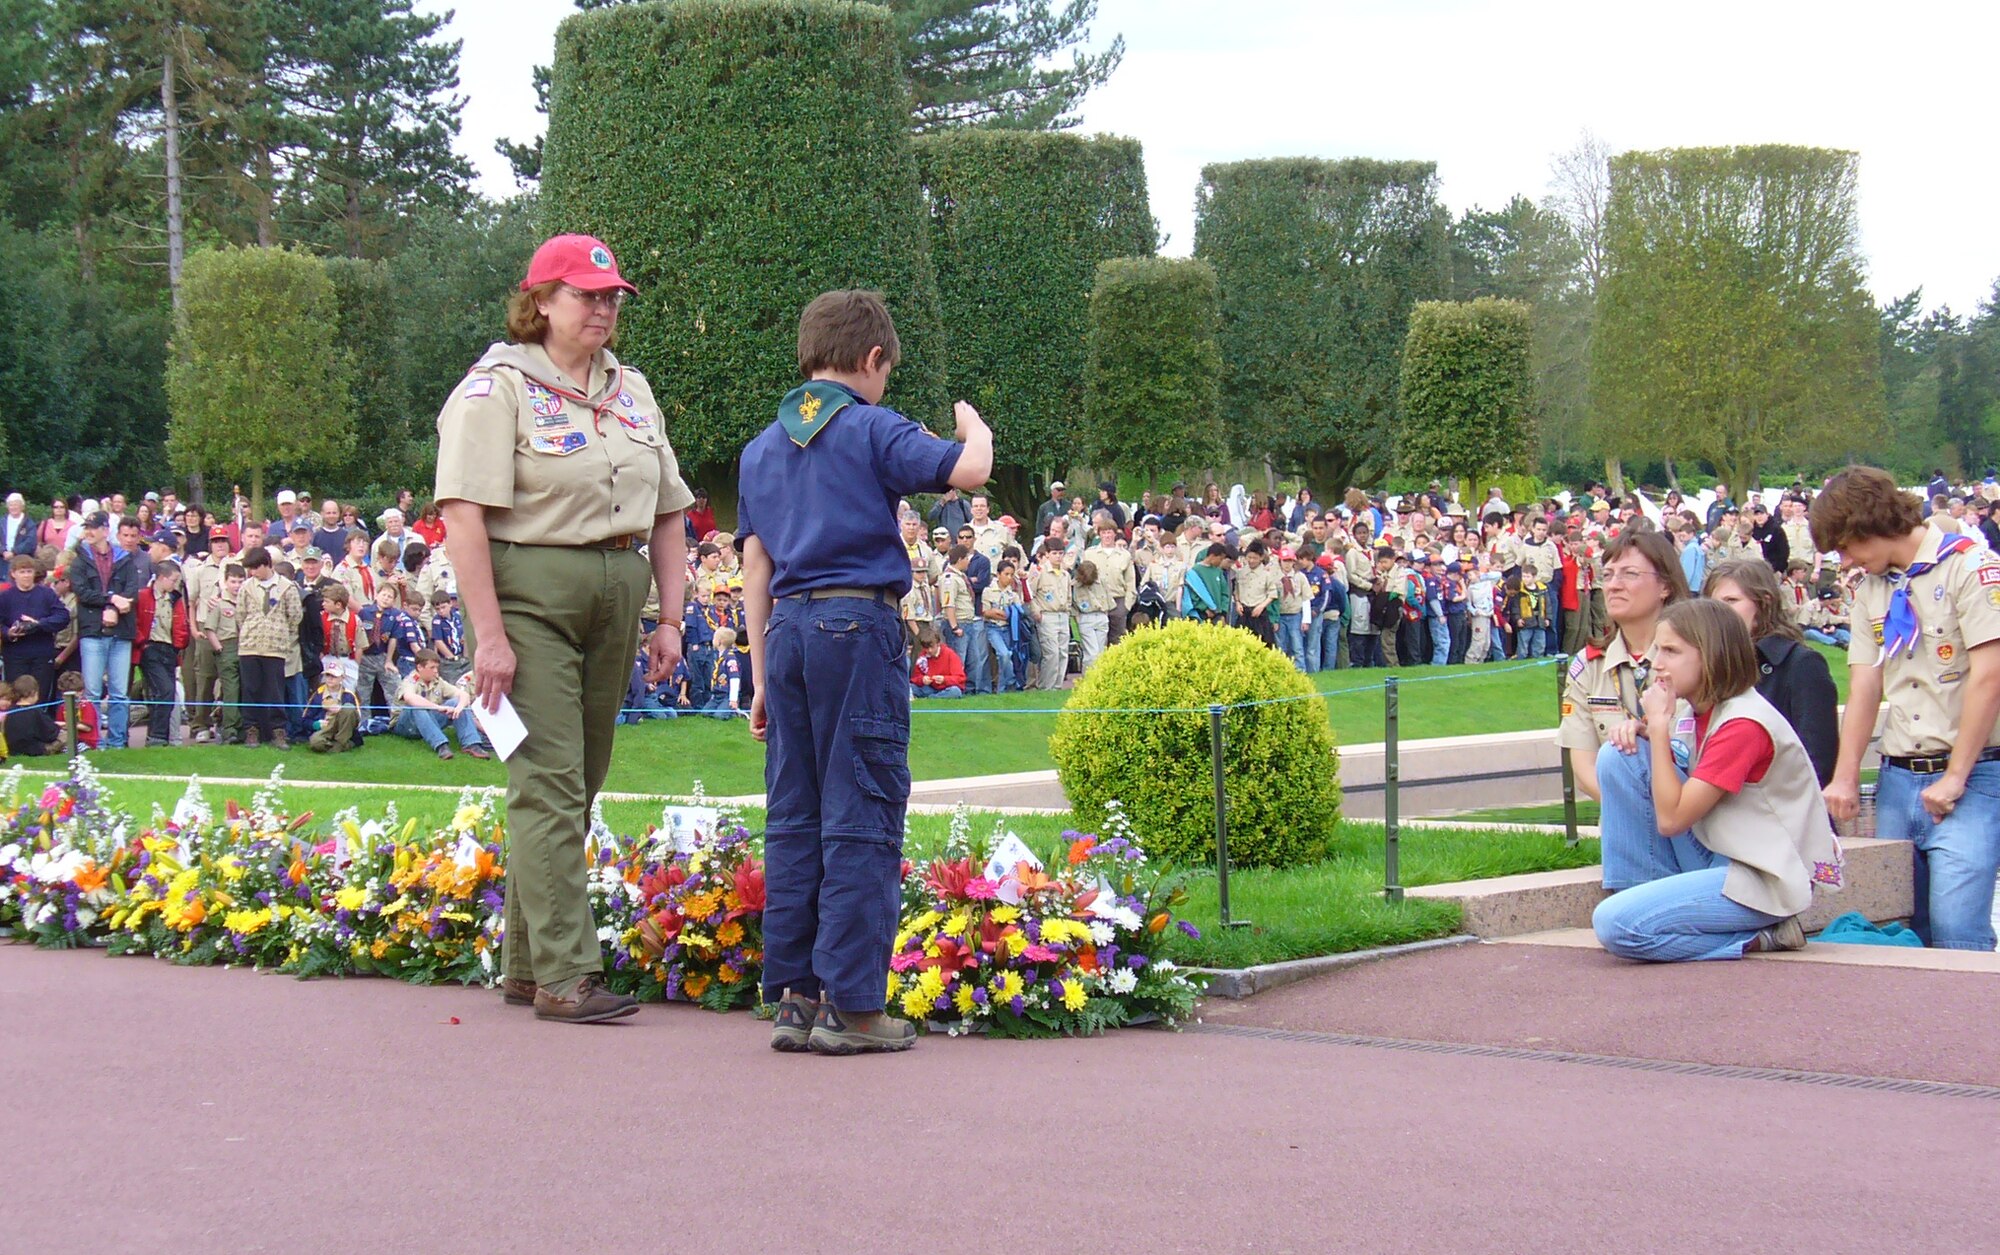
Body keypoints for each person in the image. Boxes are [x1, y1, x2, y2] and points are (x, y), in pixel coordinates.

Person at [436, 233, 693, 1025]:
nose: (604, 308)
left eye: (612, 296)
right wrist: (489, 637)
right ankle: (566, 975)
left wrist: (673, 617)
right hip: (532, 597)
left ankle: (525, 961)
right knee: (548, 779)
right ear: (540, 301)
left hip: (618, 594)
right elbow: (463, 514)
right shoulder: (496, 388)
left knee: (578, 778)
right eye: (587, 295)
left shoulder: (634, 390)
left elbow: (671, 508)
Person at [736, 288, 989, 1056]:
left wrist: (757, 671)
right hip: (858, 621)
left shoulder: (760, 448)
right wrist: (971, 419)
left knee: (795, 814)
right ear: (873, 360)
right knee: (863, 808)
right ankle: (853, 1005)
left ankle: (795, 996)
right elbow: (969, 470)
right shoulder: (872, 426)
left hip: (786, 630)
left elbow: (755, 563)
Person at [1812, 466, 2000, 952]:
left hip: (1971, 778)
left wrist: (1956, 775)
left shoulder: (1969, 566)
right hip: (1898, 777)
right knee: (1902, 931)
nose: (1845, 558)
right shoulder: (1871, 589)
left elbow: (1990, 676)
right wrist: (1847, 774)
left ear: (1868, 524)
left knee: (1959, 931)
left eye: (1846, 545)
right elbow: (1865, 682)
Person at [1592, 599, 1841, 961]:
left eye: (1672, 651)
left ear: (1711, 657)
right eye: (1657, 648)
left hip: (1764, 877)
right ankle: (1642, 896)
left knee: (1617, 927)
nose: (1656, 662)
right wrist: (1646, 734)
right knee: (1620, 755)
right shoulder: (1694, 709)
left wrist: (1658, 729)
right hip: (1720, 854)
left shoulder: (1744, 724)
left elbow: (1671, 819)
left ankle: (1764, 936)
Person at [1559, 529, 1692, 808]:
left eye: (1630, 574)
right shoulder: (1588, 665)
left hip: (1693, 820)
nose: (1613, 585)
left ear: (1665, 586)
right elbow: (1583, 765)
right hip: (1624, 825)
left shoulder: (1696, 657)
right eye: (1607, 575)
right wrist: (1635, 816)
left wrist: (1672, 812)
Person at [1703, 558, 1839, 786]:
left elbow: (1816, 762)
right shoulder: (1712, 666)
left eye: (1731, 601)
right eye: (1714, 604)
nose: (1720, 613)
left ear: (1764, 603)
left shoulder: (1801, 665)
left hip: (1783, 810)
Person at [67, 510, 143, 749]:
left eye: (93, 527)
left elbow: (132, 592)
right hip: (92, 631)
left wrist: (117, 604)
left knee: (120, 692)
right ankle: (95, 742)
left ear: (104, 530)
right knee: (92, 692)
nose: (88, 532)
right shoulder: (79, 559)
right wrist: (111, 601)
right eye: (86, 527)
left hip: (121, 632)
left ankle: (117, 742)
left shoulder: (125, 558)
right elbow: (81, 592)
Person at [236, 546, 301, 749]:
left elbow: (295, 616)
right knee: (250, 689)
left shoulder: (287, 587)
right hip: (250, 646)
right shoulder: (247, 587)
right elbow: (240, 614)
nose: (253, 573)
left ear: (266, 565)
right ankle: (251, 729)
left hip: (275, 646)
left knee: (275, 690)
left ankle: (277, 730)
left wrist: (279, 631)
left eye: (256, 568)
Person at [391, 649, 490, 758]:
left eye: (437, 667)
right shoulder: (410, 681)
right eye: (432, 667)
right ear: (419, 667)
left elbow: (463, 695)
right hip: (405, 726)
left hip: (428, 720)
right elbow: (410, 698)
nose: (436, 671)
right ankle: (441, 746)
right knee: (416, 706)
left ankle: (471, 744)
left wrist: (460, 707)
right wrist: (438, 707)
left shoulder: (438, 681)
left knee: (456, 702)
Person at [133, 559, 189, 747]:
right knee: (164, 690)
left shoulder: (174, 599)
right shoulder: (144, 597)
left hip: (169, 649)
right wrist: (143, 643)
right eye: (173, 580)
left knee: (167, 692)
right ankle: (157, 735)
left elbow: (180, 625)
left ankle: (159, 735)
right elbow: (135, 622)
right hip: (151, 648)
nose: (175, 585)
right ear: (162, 578)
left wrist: (178, 646)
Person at [0, 554, 69, 703]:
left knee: (41, 694)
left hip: (41, 653)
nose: (26, 576)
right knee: (16, 696)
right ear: (13, 574)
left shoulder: (46, 594)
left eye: (29, 571)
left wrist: (39, 624)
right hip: (15, 655)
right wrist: (8, 632)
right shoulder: (5, 597)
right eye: (22, 572)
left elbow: (63, 617)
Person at [309, 670, 362, 754]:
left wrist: (342, 709)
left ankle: (340, 743)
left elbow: (358, 720)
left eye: (334, 676)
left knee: (348, 708)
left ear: (342, 678)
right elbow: (305, 720)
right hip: (326, 729)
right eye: (327, 675)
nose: (330, 679)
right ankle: (343, 745)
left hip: (344, 730)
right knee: (315, 742)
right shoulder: (317, 695)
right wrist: (317, 724)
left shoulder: (349, 695)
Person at [910, 629, 967, 698]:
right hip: (929, 688)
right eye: (926, 648)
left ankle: (932, 697)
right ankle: (934, 696)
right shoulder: (923, 656)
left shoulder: (950, 654)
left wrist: (944, 679)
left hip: (947, 687)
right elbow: (915, 677)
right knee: (910, 687)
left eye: (932, 647)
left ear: (938, 644)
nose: (929, 650)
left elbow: (960, 678)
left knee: (955, 691)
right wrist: (922, 679)